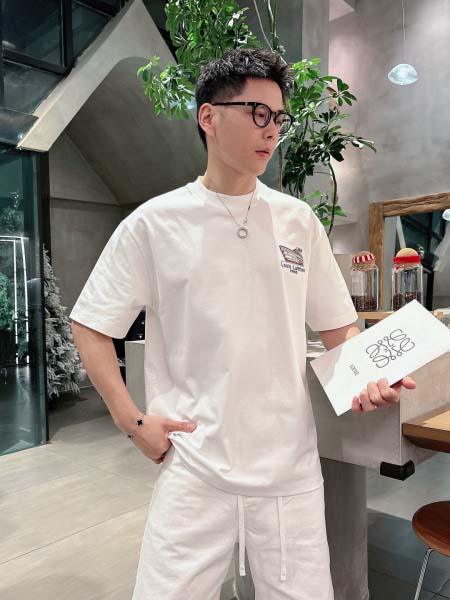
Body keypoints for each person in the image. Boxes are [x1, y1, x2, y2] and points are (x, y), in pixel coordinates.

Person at [70, 48, 416, 600]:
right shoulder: (155, 223)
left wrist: (368, 376)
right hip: (193, 467)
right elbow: (91, 323)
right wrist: (131, 422)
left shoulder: (297, 221)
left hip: (288, 473)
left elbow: (339, 331)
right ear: (208, 117)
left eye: (279, 118)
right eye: (258, 113)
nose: (272, 130)